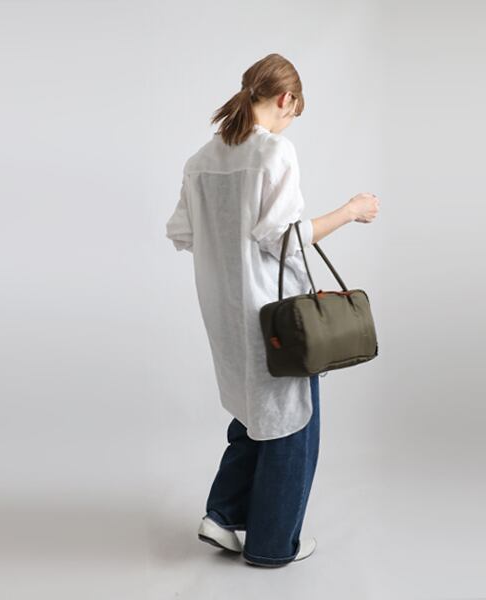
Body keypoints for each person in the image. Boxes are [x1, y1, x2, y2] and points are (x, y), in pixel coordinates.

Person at [165, 53, 380, 568]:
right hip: (273, 315)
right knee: (292, 422)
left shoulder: (201, 160)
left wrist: (227, 247)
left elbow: (182, 234)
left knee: (252, 412)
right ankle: (271, 545)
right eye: (294, 112)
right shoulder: (274, 152)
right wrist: (350, 212)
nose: (290, 122)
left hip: (223, 312)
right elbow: (283, 239)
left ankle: (223, 516)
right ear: (286, 98)